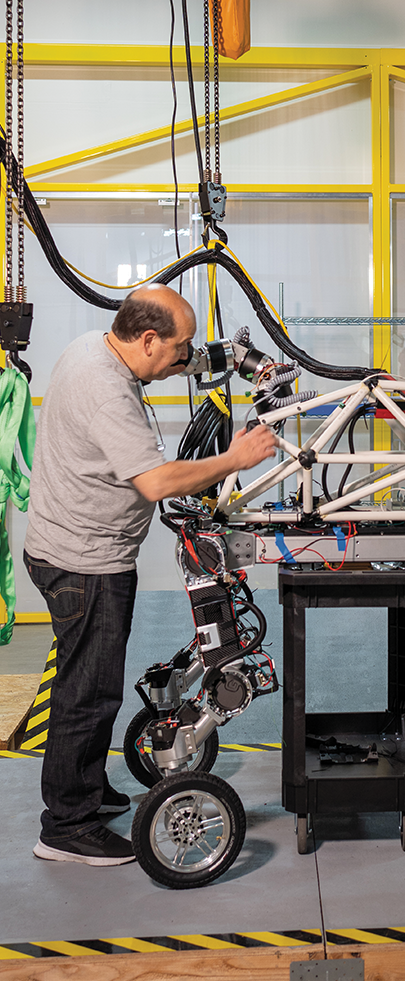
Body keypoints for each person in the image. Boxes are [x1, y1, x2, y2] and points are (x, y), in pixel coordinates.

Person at [24, 285, 276, 867]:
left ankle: (83, 791)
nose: (185, 359)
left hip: (66, 547)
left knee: (86, 683)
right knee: (87, 693)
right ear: (146, 339)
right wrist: (236, 459)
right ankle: (66, 826)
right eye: (179, 347)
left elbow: (174, 364)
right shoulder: (109, 392)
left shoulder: (94, 346)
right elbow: (157, 483)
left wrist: (227, 358)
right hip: (85, 561)